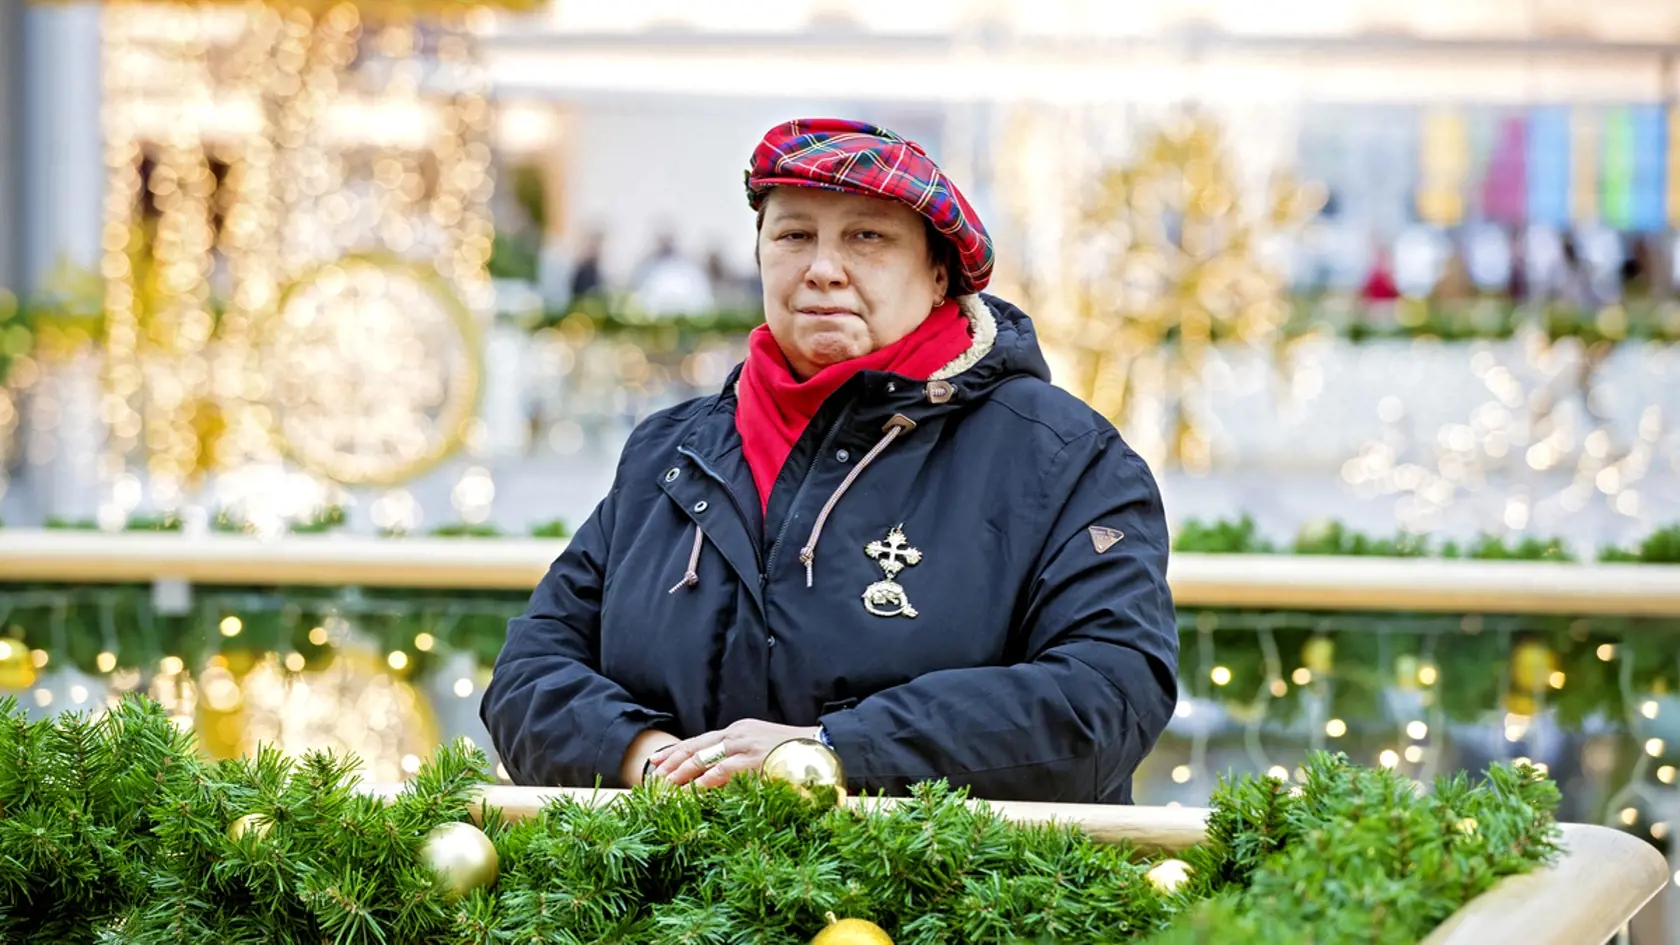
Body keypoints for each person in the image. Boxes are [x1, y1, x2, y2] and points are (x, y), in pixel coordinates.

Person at [481, 118, 1179, 804]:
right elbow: (527, 674)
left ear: (940, 274)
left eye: (866, 236)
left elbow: (1107, 693)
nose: (822, 268)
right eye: (793, 235)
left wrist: (826, 753)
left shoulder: (1061, 455)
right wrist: (645, 756)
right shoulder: (671, 453)